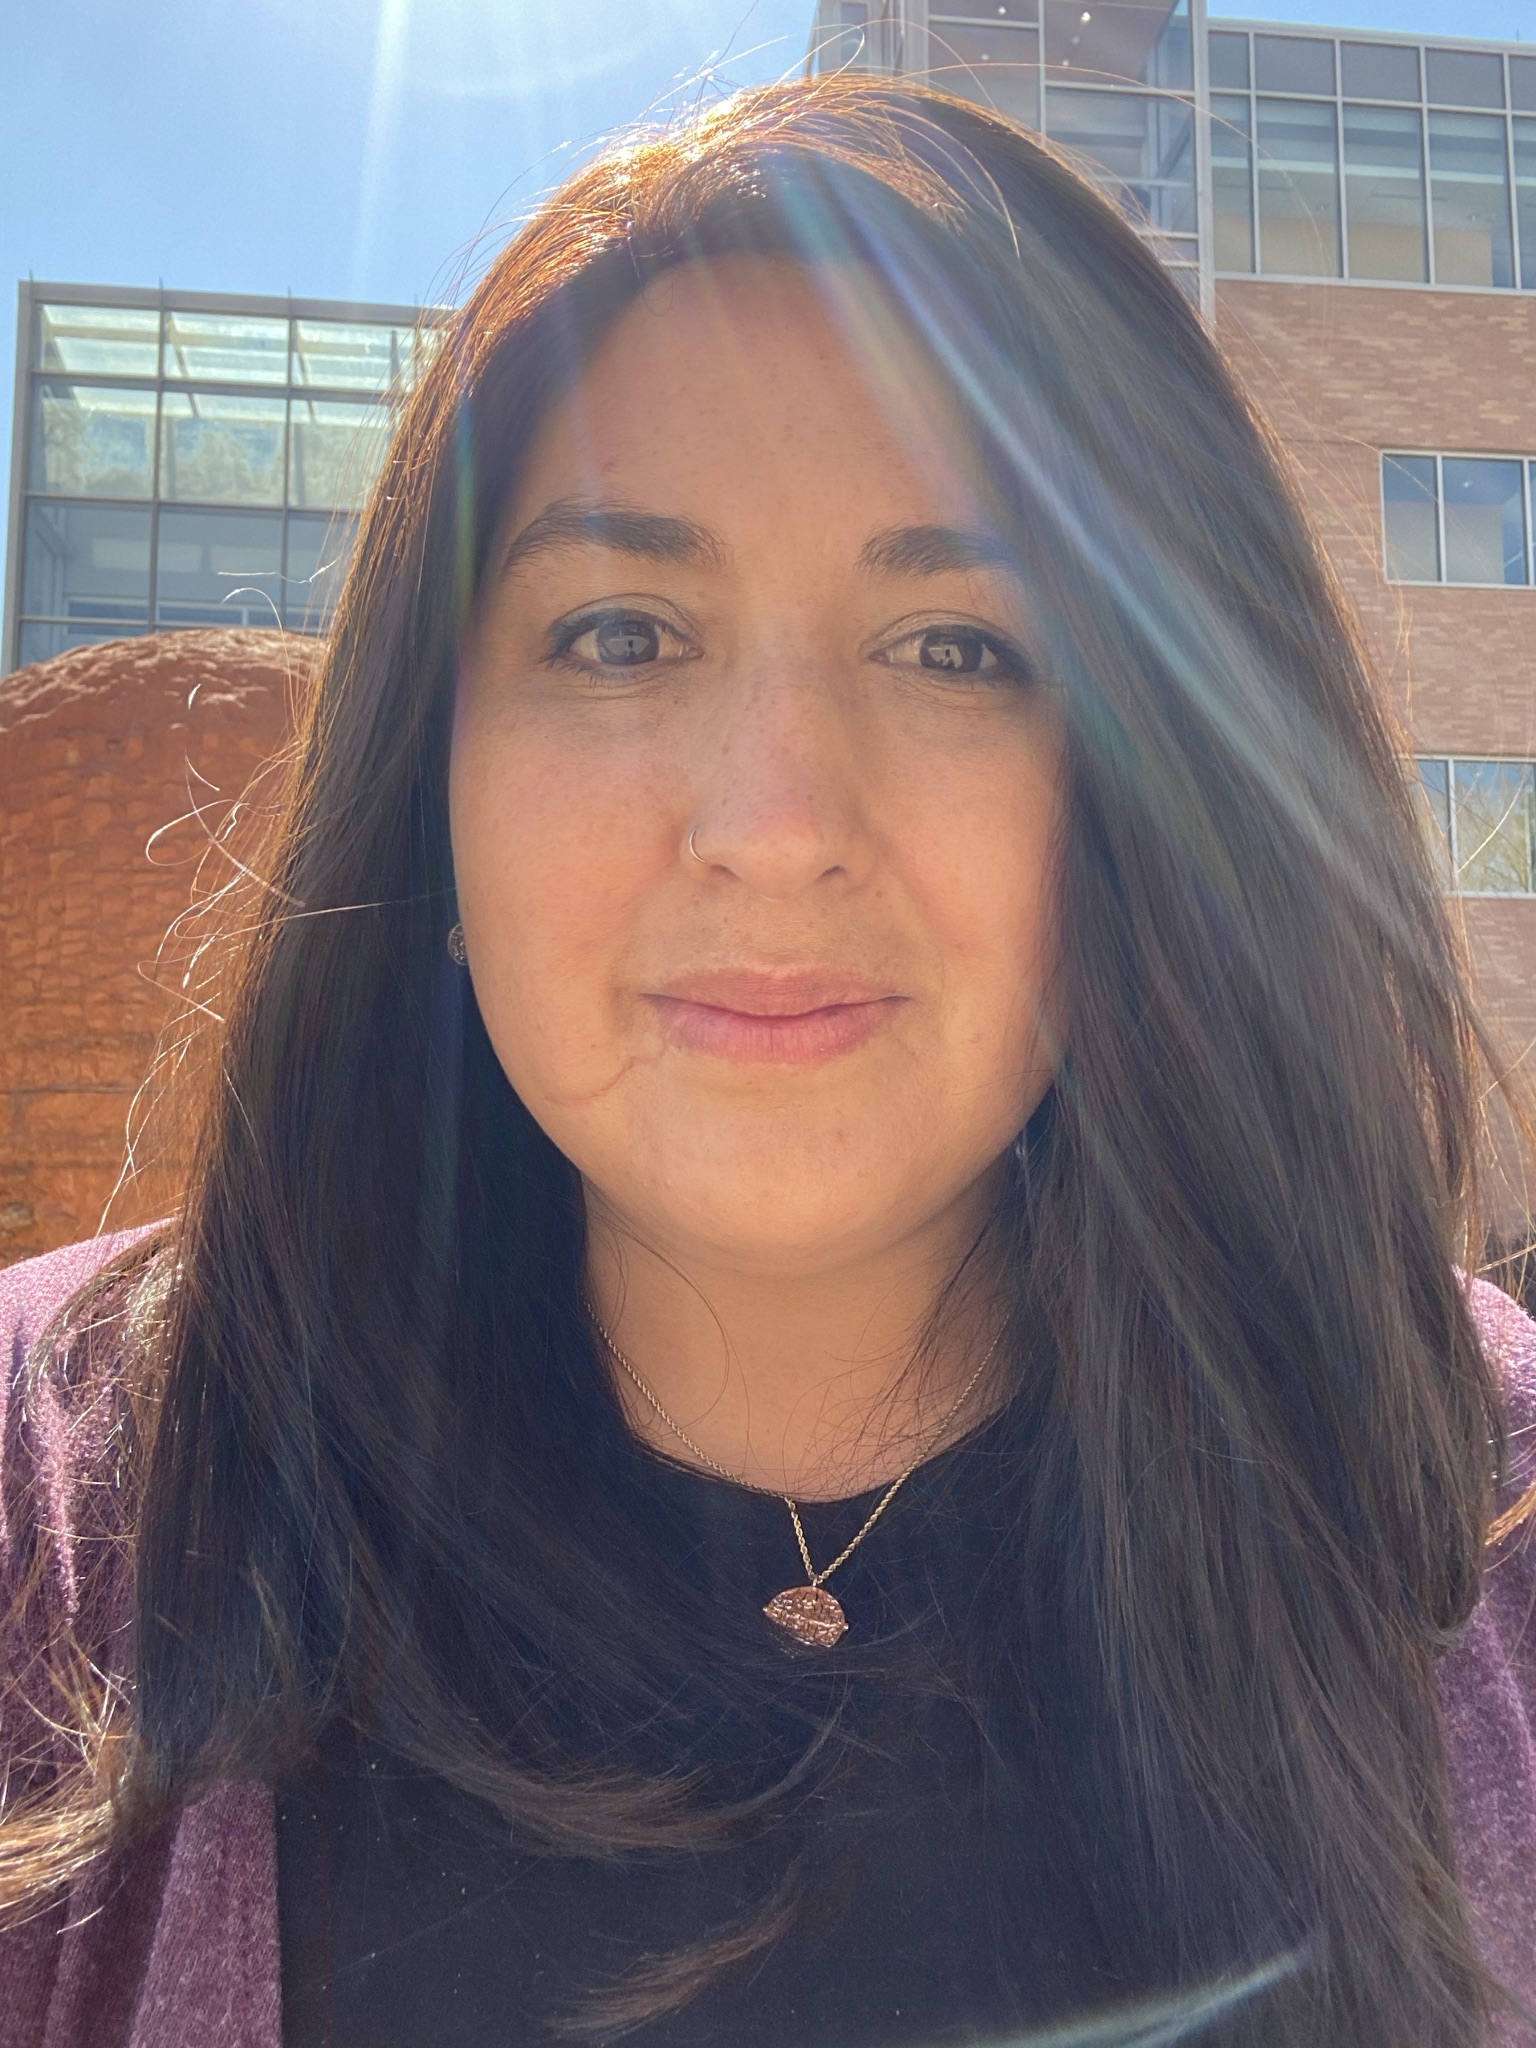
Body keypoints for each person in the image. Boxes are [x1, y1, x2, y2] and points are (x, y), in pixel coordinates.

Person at [2, 76, 1535, 2048]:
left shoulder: (1479, 1512)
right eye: (624, 634)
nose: (774, 820)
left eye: (963, 648)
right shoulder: (61, 1522)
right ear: (430, 804)